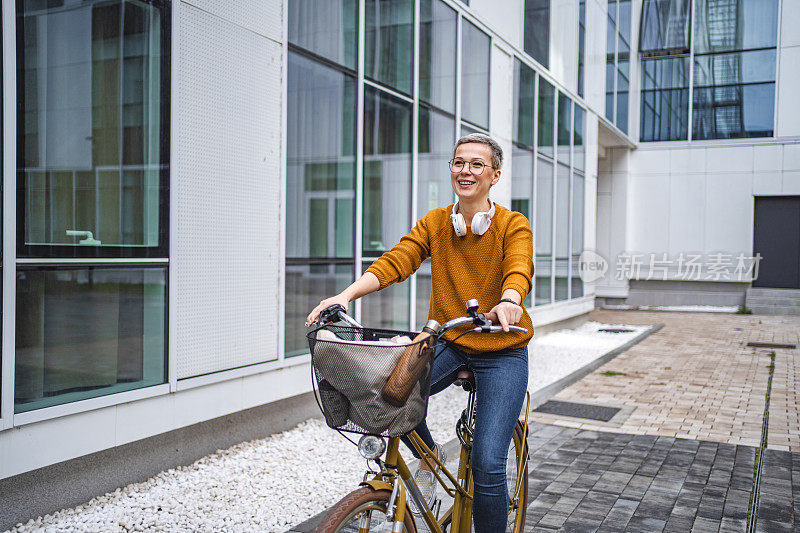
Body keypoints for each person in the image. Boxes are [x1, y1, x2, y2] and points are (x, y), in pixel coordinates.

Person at [306, 133, 533, 532]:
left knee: (487, 461)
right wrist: (343, 296)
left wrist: (510, 299)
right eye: (459, 162)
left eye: (476, 164)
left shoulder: (513, 224)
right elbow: (398, 260)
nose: (465, 170)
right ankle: (430, 461)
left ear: (494, 175)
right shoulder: (435, 223)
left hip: (502, 348)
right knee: (385, 396)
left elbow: (518, 266)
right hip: (450, 340)